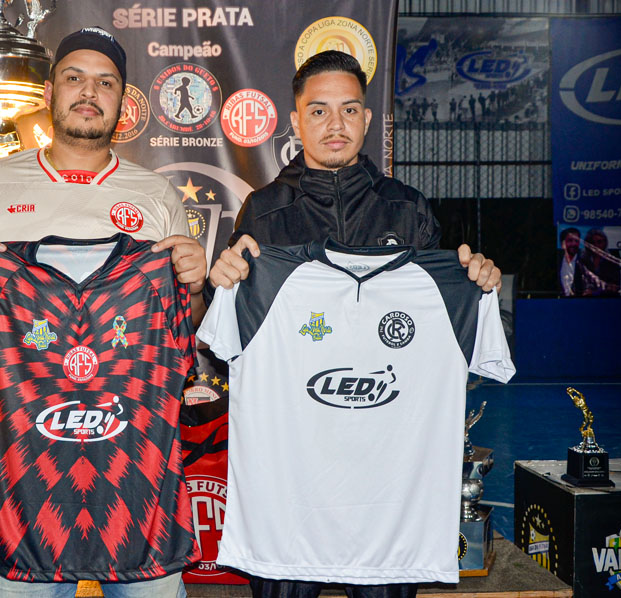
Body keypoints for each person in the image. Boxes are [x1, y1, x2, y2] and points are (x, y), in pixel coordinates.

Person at [0, 27, 206, 598]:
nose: (89, 92)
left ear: (122, 101)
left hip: (136, 469)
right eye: (75, 78)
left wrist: (193, 286)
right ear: (50, 92)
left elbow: (181, 325)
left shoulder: (156, 195)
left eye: (106, 82)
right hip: (17, 469)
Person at [207, 50, 500, 598]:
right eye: (318, 111)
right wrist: (217, 284)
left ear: (367, 119)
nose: (335, 124)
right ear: (295, 122)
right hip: (289, 490)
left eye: (349, 110)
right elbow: (226, 338)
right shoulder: (263, 212)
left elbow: (438, 330)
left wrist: (476, 285)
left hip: (388, 494)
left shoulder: (408, 209)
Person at [572, 227, 620, 297]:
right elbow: (577, 285)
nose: (596, 245)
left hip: (608, 299)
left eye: (599, 242)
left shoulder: (612, 261)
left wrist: (595, 293)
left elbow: (615, 287)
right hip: (586, 299)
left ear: (605, 243)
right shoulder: (582, 261)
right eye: (592, 243)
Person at [558, 227, 580, 297]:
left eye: (576, 241)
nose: (574, 244)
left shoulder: (584, 262)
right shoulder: (557, 261)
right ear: (562, 244)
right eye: (570, 240)